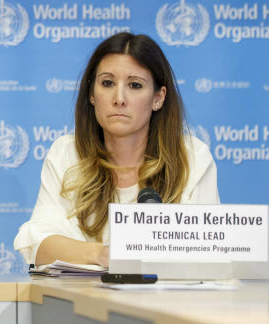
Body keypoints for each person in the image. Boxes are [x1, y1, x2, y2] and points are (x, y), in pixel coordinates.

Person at [14, 32, 219, 267]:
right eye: (108, 83)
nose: (119, 98)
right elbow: (40, 246)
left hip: (168, 301)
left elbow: (207, 250)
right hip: (80, 301)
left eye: (135, 85)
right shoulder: (66, 154)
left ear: (158, 98)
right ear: (92, 94)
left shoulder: (191, 157)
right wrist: (104, 255)